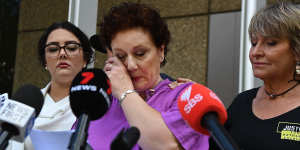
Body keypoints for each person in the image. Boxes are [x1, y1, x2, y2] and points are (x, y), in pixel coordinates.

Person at [86, 2, 209, 150]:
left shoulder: (186, 96)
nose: (131, 65)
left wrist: (126, 93)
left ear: (161, 51)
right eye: (121, 56)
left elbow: (165, 145)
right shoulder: (100, 103)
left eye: (140, 54)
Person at [209, 2, 300, 150]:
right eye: (254, 43)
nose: (255, 52)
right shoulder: (241, 103)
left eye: (271, 43)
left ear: (297, 50)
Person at [7, 21, 94, 150]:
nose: (62, 54)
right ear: (45, 61)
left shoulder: (96, 106)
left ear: (85, 59)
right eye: (53, 49)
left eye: (71, 48)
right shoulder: (24, 104)